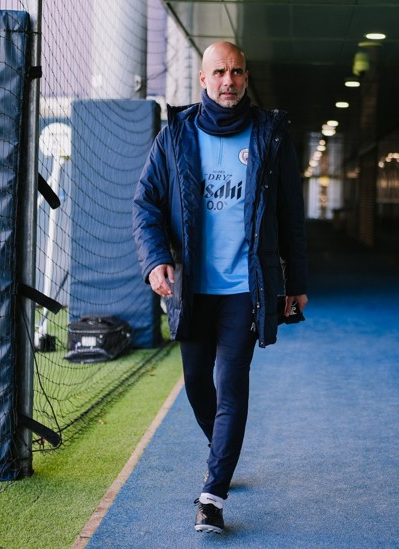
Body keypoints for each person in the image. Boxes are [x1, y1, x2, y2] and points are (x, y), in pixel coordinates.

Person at [131, 40, 308, 534]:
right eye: (219, 73)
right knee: (196, 387)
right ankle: (222, 452)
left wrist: (296, 282)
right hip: (193, 290)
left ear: (246, 79)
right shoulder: (176, 136)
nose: (228, 81)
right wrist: (156, 261)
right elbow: (145, 204)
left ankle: (213, 494)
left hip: (244, 290)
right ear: (204, 80)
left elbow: (291, 216)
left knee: (232, 383)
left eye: (236, 72)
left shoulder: (270, 137)